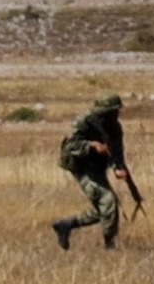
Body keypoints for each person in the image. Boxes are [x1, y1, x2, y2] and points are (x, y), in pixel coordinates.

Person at [52, 93, 129, 250]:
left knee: (105, 208)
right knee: (108, 200)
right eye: (112, 111)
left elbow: (116, 150)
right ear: (103, 111)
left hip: (97, 166)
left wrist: (118, 167)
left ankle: (66, 225)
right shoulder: (84, 122)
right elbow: (70, 146)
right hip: (80, 165)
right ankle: (110, 245)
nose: (116, 114)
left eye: (117, 111)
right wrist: (91, 145)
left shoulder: (114, 127)